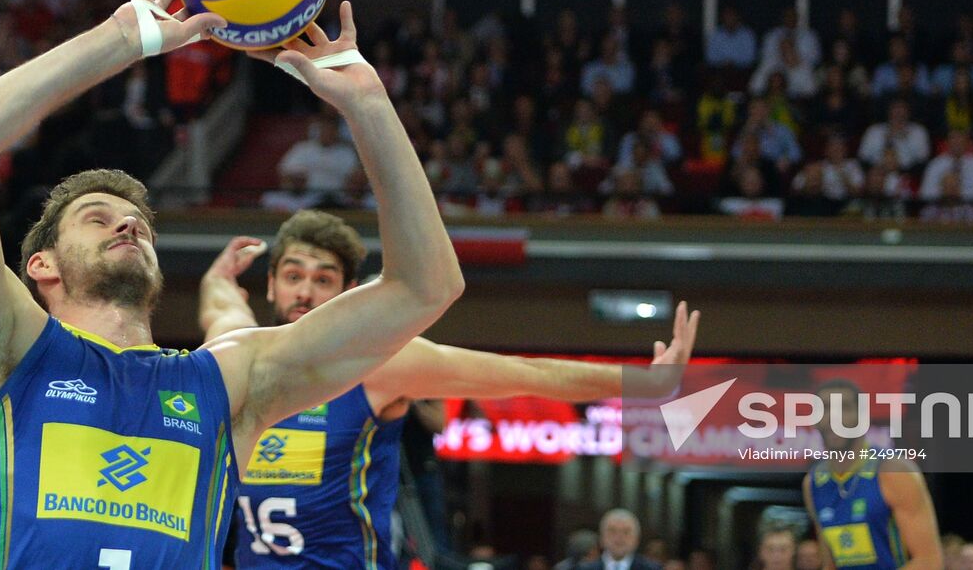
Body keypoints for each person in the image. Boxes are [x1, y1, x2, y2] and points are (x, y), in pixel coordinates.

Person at [0, 0, 466, 569]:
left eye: (139, 224)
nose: (127, 223)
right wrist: (119, 42)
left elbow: (426, 286)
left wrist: (367, 105)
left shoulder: (230, 383)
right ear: (41, 265)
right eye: (98, 218)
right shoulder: (6, 347)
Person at [199, 213, 699, 569]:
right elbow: (220, 304)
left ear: (347, 293)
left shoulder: (379, 364)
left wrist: (642, 382)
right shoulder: (244, 358)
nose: (305, 293)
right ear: (271, 286)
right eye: (292, 277)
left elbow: (523, 374)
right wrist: (218, 276)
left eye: (323, 279)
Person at [803, 380, 943, 570]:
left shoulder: (894, 471)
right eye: (825, 409)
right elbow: (831, 564)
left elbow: (929, 561)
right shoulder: (813, 482)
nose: (833, 418)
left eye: (844, 408)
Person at [574, 508, 662, 570]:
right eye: (612, 531)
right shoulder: (583, 568)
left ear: (637, 539)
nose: (619, 537)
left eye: (626, 532)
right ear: (601, 538)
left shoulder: (653, 569)